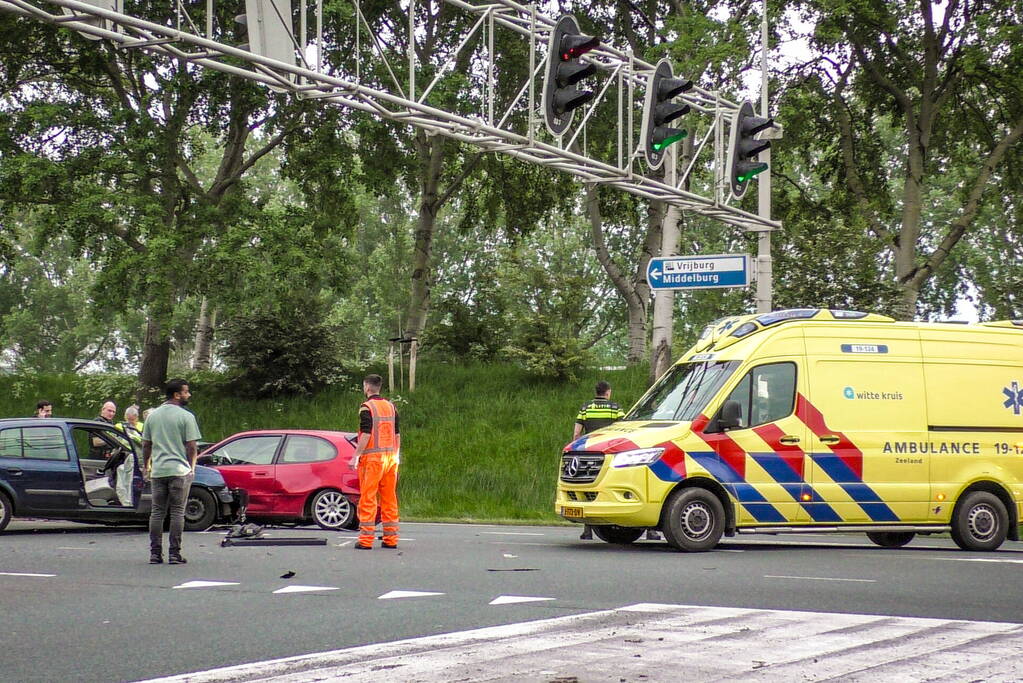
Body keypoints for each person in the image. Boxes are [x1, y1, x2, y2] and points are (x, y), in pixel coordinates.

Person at [572, 381, 658, 541]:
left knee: (588, 489)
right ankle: (649, 530)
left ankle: (587, 530)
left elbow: (577, 433)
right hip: (610, 452)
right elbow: (624, 429)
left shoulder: (585, 408)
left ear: (596, 391)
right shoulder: (614, 408)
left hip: (589, 453)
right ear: (608, 392)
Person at [142, 379, 201, 565]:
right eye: (186, 392)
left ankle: (155, 553)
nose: (188, 395)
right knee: (177, 512)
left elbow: (146, 444)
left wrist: (147, 466)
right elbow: (191, 446)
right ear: (177, 395)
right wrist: (191, 467)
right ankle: (174, 553)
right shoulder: (186, 416)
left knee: (157, 512)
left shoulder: (152, 416)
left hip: (159, 471)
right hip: (179, 471)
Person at [349, 374, 400, 550]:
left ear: (367, 387)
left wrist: (356, 455)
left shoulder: (367, 407)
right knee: (389, 498)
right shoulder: (391, 407)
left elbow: (366, 433)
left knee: (368, 498)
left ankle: (365, 540)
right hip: (390, 458)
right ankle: (391, 539)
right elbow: (397, 434)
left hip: (373, 460)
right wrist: (396, 455)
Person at [113, 406, 145, 506]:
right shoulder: (119, 426)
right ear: (125, 416)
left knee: (130, 482)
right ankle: (124, 502)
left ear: (137, 417)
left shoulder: (142, 427)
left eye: (133, 420)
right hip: (123, 457)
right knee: (121, 474)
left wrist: (134, 435)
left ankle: (129, 503)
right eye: (128, 419)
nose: (130, 422)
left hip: (137, 458)